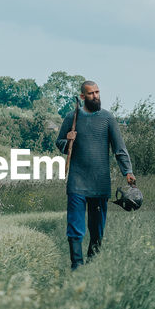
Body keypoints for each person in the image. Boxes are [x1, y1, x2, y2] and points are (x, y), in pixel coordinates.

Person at [55, 80, 135, 270]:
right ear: (82, 97)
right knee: (75, 226)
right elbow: (59, 144)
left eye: (97, 92)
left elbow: (119, 148)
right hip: (77, 180)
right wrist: (67, 141)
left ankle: (92, 263)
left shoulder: (108, 118)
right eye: (91, 94)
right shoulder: (71, 117)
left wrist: (128, 171)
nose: (96, 96)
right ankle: (77, 265)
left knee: (97, 229)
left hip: (100, 182)